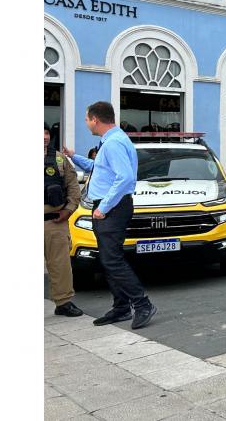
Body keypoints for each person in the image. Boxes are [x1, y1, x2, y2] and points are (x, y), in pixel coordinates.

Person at [64, 101, 156, 329]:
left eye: (86, 119)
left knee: (112, 260)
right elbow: (100, 169)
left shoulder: (113, 143)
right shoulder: (113, 141)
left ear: (95, 119)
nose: (86, 123)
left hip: (111, 209)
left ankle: (142, 303)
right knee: (108, 259)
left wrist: (102, 208)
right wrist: (75, 157)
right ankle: (121, 307)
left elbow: (124, 178)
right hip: (112, 207)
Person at [44, 124, 84, 317]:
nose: (44, 137)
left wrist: (69, 209)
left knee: (60, 264)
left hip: (54, 222)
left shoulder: (59, 159)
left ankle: (63, 302)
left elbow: (73, 187)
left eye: (46, 133)